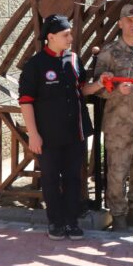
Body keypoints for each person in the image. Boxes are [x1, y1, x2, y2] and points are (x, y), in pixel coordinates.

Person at [86, 4, 133, 231]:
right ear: (120, 23)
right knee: (118, 170)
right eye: (130, 20)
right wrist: (117, 90)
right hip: (119, 124)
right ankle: (118, 215)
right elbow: (97, 89)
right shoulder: (109, 52)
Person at [19, 15, 89, 240]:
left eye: (70, 33)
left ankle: (71, 221)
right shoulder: (35, 65)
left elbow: (83, 89)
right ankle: (55, 222)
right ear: (50, 37)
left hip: (75, 132)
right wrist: (33, 135)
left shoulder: (75, 59)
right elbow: (26, 101)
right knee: (50, 179)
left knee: (73, 178)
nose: (71, 37)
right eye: (65, 34)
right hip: (48, 136)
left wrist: (101, 84)